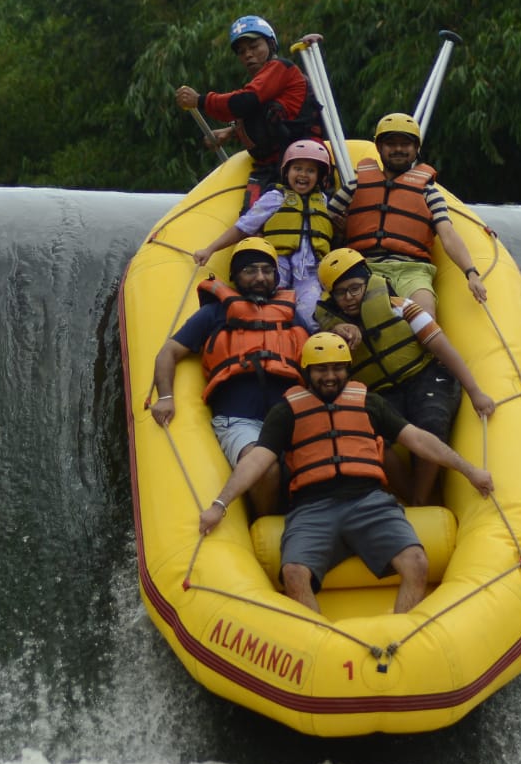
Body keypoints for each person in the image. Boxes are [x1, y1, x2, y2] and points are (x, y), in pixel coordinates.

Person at [198, 333, 493, 614]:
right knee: (294, 573)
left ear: (348, 369)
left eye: (338, 369)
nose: (330, 376)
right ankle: (318, 642)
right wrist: (219, 505)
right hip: (311, 508)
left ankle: (401, 636)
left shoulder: (369, 403)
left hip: (369, 501)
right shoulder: (286, 411)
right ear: (307, 371)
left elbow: (417, 439)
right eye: (322, 369)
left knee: (416, 562)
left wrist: (470, 471)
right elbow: (257, 460)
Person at [314, 247, 495, 505]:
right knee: (374, 438)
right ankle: (408, 494)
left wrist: (475, 392)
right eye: (341, 293)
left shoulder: (401, 307)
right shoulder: (332, 334)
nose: (350, 298)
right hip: (380, 392)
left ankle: (420, 499)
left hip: (424, 376)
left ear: (367, 282)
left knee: (432, 421)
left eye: (355, 288)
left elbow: (442, 347)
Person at [152, 237, 307, 514]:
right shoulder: (214, 313)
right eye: (250, 271)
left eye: (266, 270)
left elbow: (320, 359)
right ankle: (262, 522)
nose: (260, 277)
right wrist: (165, 397)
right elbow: (168, 352)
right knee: (264, 468)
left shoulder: (291, 316)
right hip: (238, 419)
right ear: (235, 276)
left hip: (290, 417)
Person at [326, 111, 487, 318]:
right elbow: (325, 220)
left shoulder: (428, 192)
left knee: (424, 315)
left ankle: (429, 349)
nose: (399, 149)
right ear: (379, 148)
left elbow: (448, 234)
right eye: (391, 144)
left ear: (416, 149)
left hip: (413, 270)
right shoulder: (355, 186)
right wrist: (341, 231)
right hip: (365, 267)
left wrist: (471, 273)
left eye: (406, 144)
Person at [174, 14, 323, 210]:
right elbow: (264, 117)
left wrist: (200, 100)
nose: (248, 55)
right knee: (249, 223)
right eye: (242, 51)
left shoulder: (280, 68)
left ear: (270, 45)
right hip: (271, 168)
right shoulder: (263, 83)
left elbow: (243, 103)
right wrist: (231, 132)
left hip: (299, 165)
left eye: (254, 47)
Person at [193, 139, 334, 330]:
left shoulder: (323, 201)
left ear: (320, 176)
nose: (303, 175)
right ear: (286, 171)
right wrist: (210, 249)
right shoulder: (275, 197)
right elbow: (243, 228)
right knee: (270, 309)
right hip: (277, 267)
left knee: (311, 318)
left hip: (309, 272)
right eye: (297, 168)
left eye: (311, 170)